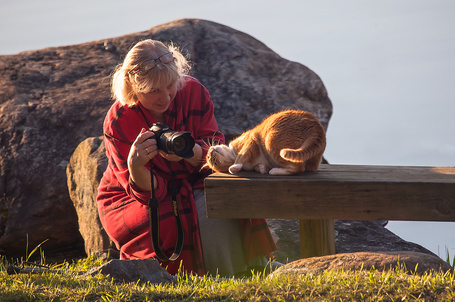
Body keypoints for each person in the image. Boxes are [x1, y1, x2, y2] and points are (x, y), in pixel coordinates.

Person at [96, 39, 277, 277]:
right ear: (133, 88)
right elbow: (146, 194)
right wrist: (136, 165)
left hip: (195, 173)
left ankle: (250, 269)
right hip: (134, 194)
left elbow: (219, 155)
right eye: (153, 90)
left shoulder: (192, 92)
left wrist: (191, 153)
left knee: (228, 195)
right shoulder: (120, 119)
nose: (165, 96)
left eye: (170, 85)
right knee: (189, 212)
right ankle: (224, 276)